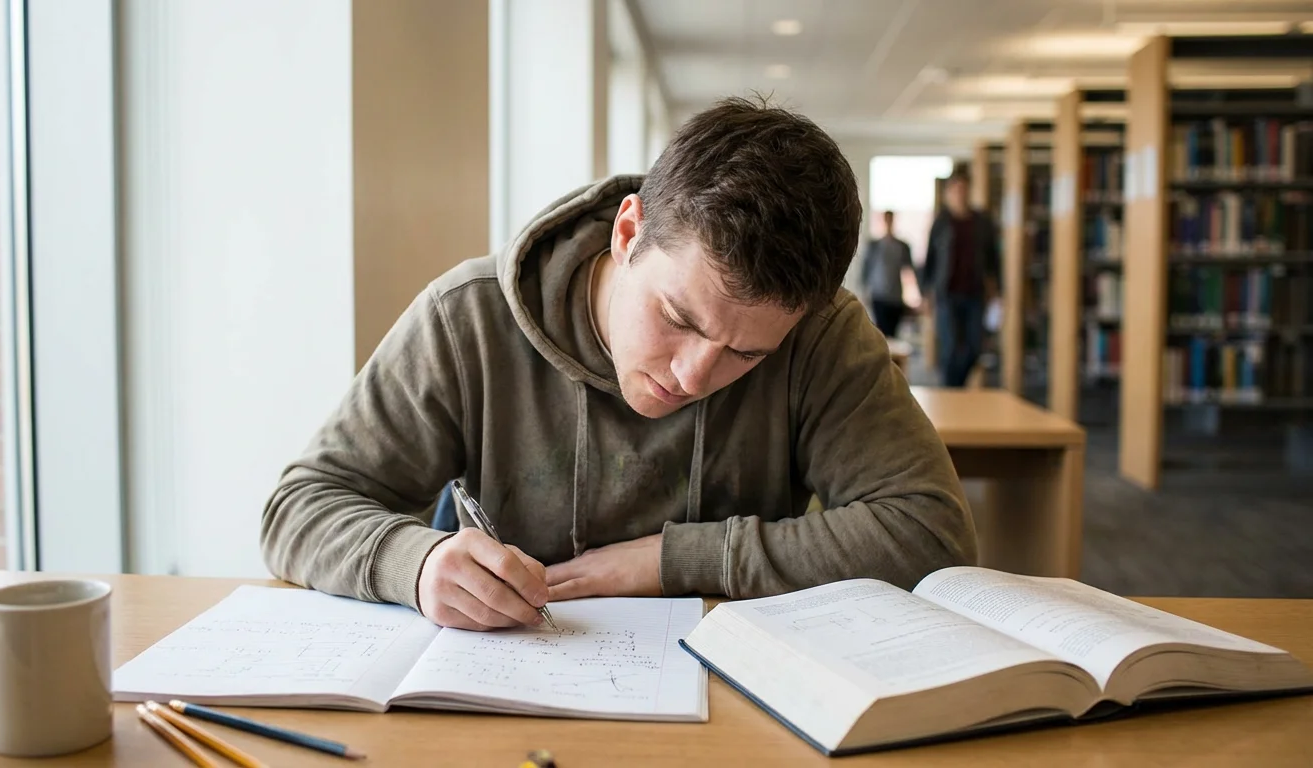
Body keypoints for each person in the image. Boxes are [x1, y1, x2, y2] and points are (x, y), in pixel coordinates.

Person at [261, 97, 976, 632]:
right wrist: (412, 565)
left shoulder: (821, 335)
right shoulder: (466, 318)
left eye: (746, 354)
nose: (695, 376)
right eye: (678, 318)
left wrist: (667, 563)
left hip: (745, 703)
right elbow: (298, 508)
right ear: (628, 232)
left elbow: (931, 532)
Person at [922, 174, 1000, 388]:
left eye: (963, 189)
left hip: (974, 293)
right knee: (951, 347)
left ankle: (955, 387)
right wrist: (926, 294)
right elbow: (930, 260)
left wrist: (995, 289)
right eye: (955, 190)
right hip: (947, 293)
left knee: (974, 348)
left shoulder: (982, 222)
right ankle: (951, 391)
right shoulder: (941, 223)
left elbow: (993, 258)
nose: (960, 194)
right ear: (948, 194)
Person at [859, 211, 915, 338]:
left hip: (895, 297)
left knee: (893, 334)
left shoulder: (902, 246)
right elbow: (865, 270)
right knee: (880, 332)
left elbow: (910, 271)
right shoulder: (874, 246)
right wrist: (864, 292)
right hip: (879, 295)